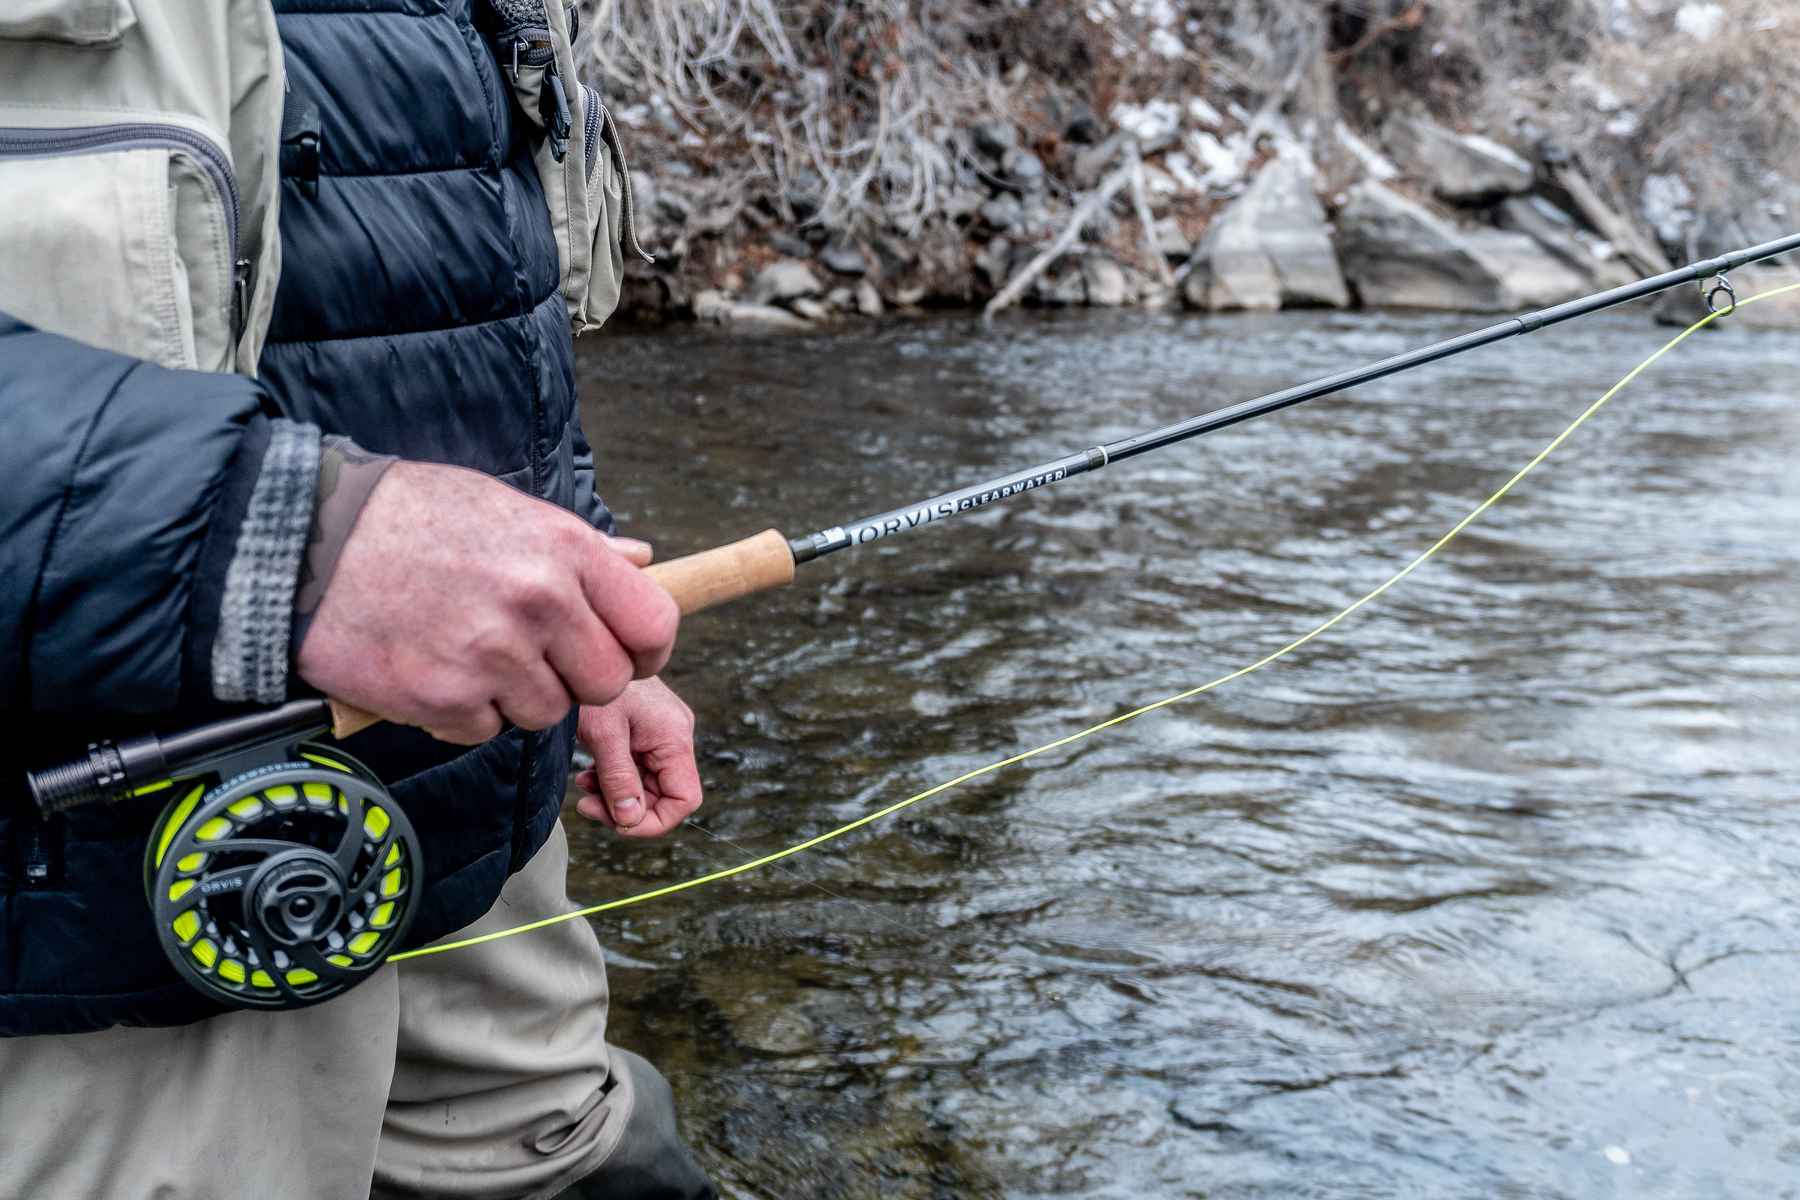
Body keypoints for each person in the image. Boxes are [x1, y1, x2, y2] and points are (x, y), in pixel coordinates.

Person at [0, 1, 716, 1196]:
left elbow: (455, 299)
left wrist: (567, 606)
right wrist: (286, 542)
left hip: (468, 807)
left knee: (593, 1166)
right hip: (93, 897)